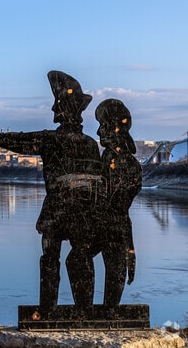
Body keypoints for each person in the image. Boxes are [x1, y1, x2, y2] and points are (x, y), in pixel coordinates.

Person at [0, 70, 101, 316]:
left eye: (57, 105)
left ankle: (47, 309)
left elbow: (23, 141)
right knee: (81, 258)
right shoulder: (89, 144)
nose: (54, 110)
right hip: (84, 212)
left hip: (58, 211)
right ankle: (84, 310)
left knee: (50, 258)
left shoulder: (52, 140)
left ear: (64, 109)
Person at [94, 99, 141, 312]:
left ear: (115, 127)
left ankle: (107, 313)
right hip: (105, 226)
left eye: (102, 125)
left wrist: (129, 249)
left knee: (115, 274)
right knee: (76, 259)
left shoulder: (129, 166)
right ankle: (90, 310)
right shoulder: (104, 160)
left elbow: (119, 210)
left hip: (111, 229)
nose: (98, 131)